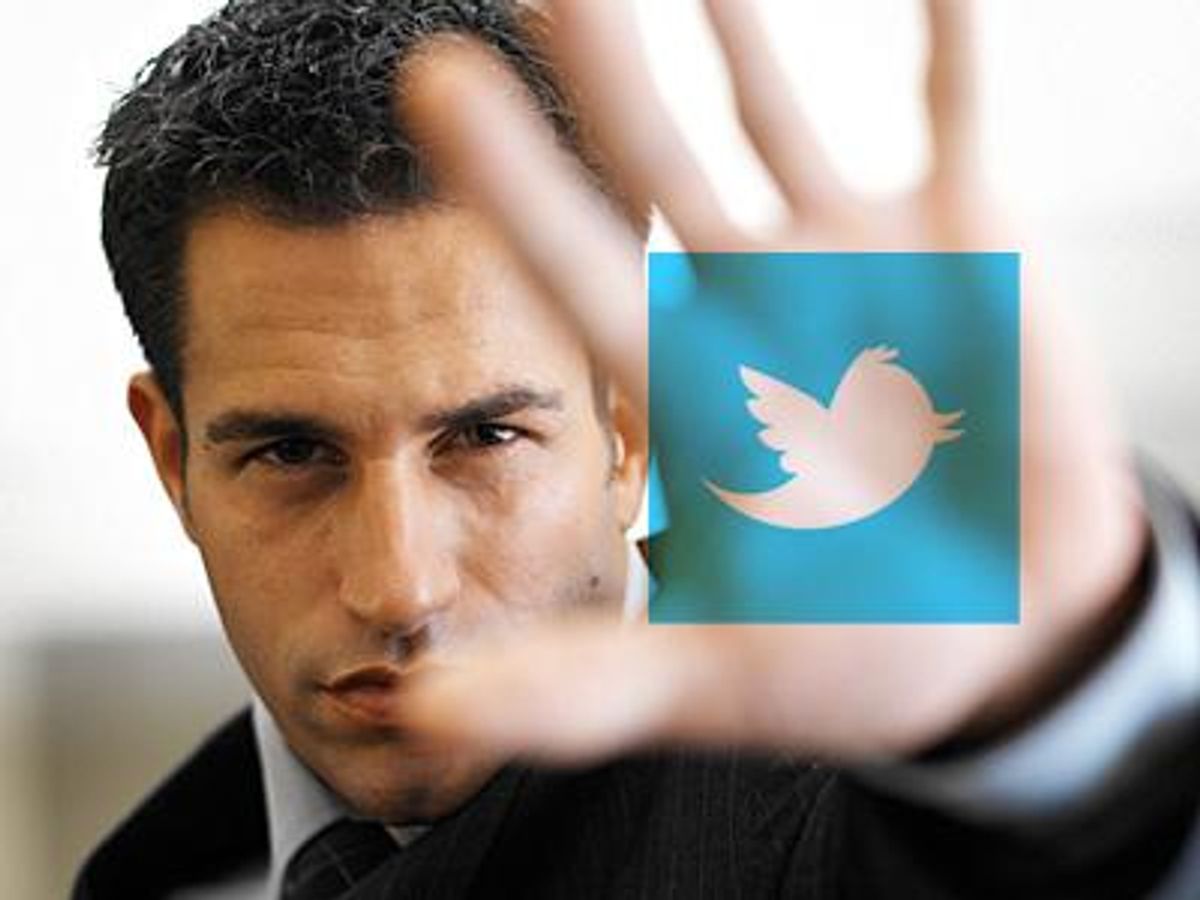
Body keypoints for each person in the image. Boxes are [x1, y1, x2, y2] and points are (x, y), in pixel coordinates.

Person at [75, 0, 1200, 897]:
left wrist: (1050, 705)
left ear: (626, 435)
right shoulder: (162, 870)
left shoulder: (832, 815)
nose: (398, 586)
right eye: (290, 453)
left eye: (486, 437)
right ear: (172, 459)